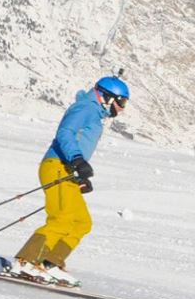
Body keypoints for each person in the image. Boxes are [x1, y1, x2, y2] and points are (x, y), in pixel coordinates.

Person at [7, 75, 130, 287]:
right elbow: (65, 132)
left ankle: (49, 263)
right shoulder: (86, 108)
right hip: (57, 166)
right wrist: (77, 160)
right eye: (121, 102)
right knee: (62, 218)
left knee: (81, 222)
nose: (122, 109)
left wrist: (80, 174)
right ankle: (25, 261)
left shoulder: (95, 113)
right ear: (108, 97)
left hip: (68, 170)